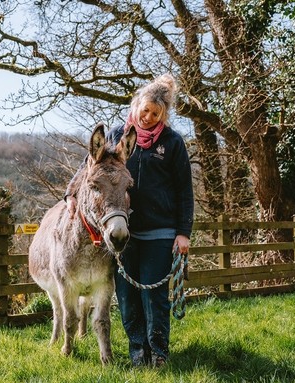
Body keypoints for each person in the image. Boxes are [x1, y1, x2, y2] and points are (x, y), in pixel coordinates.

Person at [65, 74, 194, 368]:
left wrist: (183, 232)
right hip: (122, 231)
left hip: (160, 230)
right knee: (126, 295)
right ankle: (138, 351)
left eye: (155, 114)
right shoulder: (116, 134)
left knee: (154, 293)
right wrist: (69, 194)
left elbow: (185, 190)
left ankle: (158, 352)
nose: (147, 117)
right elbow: (88, 167)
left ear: (163, 116)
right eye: (144, 110)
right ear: (135, 105)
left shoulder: (172, 143)